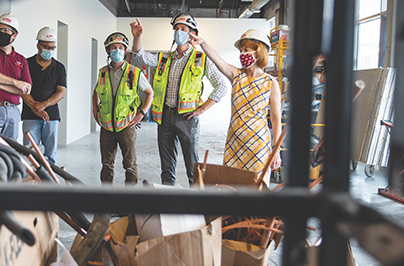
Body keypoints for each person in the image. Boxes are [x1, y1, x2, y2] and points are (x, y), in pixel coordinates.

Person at [130, 15, 229, 186]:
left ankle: (196, 204)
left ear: (192, 34)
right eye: (176, 29)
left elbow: (222, 85)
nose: (178, 32)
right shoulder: (165, 59)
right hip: (165, 117)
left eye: (183, 29)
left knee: (192, 166)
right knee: (166, 167)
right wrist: (137, 36)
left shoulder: (201, 59)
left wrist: (202, 109)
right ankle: (168, 203)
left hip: (187, 119)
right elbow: (140, 56)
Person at [189, 29, 282, 182]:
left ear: (259, 51)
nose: (242, 54)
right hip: (234, 145)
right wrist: (203, 43)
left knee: (256, 189)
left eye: (246, 50)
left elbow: (276, 118)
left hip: (258, 146)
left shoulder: (271, 83)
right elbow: (218, 60)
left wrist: (276, 150)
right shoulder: (237, 76)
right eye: (240, 50)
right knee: (230, 186)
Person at [93, 32, 154, 184]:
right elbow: (96, 91)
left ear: (125, 51)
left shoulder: (134, 72)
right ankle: (107, 199)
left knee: (130, 165)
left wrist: (141, 113)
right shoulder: (103, 73)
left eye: (121, 47)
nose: (117, 50)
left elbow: (149, 93)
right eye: (113, 47)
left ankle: (128, 201)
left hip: (126, 126)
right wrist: (95, 109)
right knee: (106, 165)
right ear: (108, 51)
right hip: (106, 127)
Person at [21, 27, 67, 165]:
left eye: (52, 47)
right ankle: (31, 181)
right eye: (46, 47)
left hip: (51, 117)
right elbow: (22, 89)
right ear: (38, 46)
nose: (50, 50)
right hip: (30, 115)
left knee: (50, 153)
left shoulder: (59, 67)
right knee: (29, 152)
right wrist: (36, 108)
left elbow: (61, 92)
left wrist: (43, 105)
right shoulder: (26, 64)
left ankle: (49, 180)